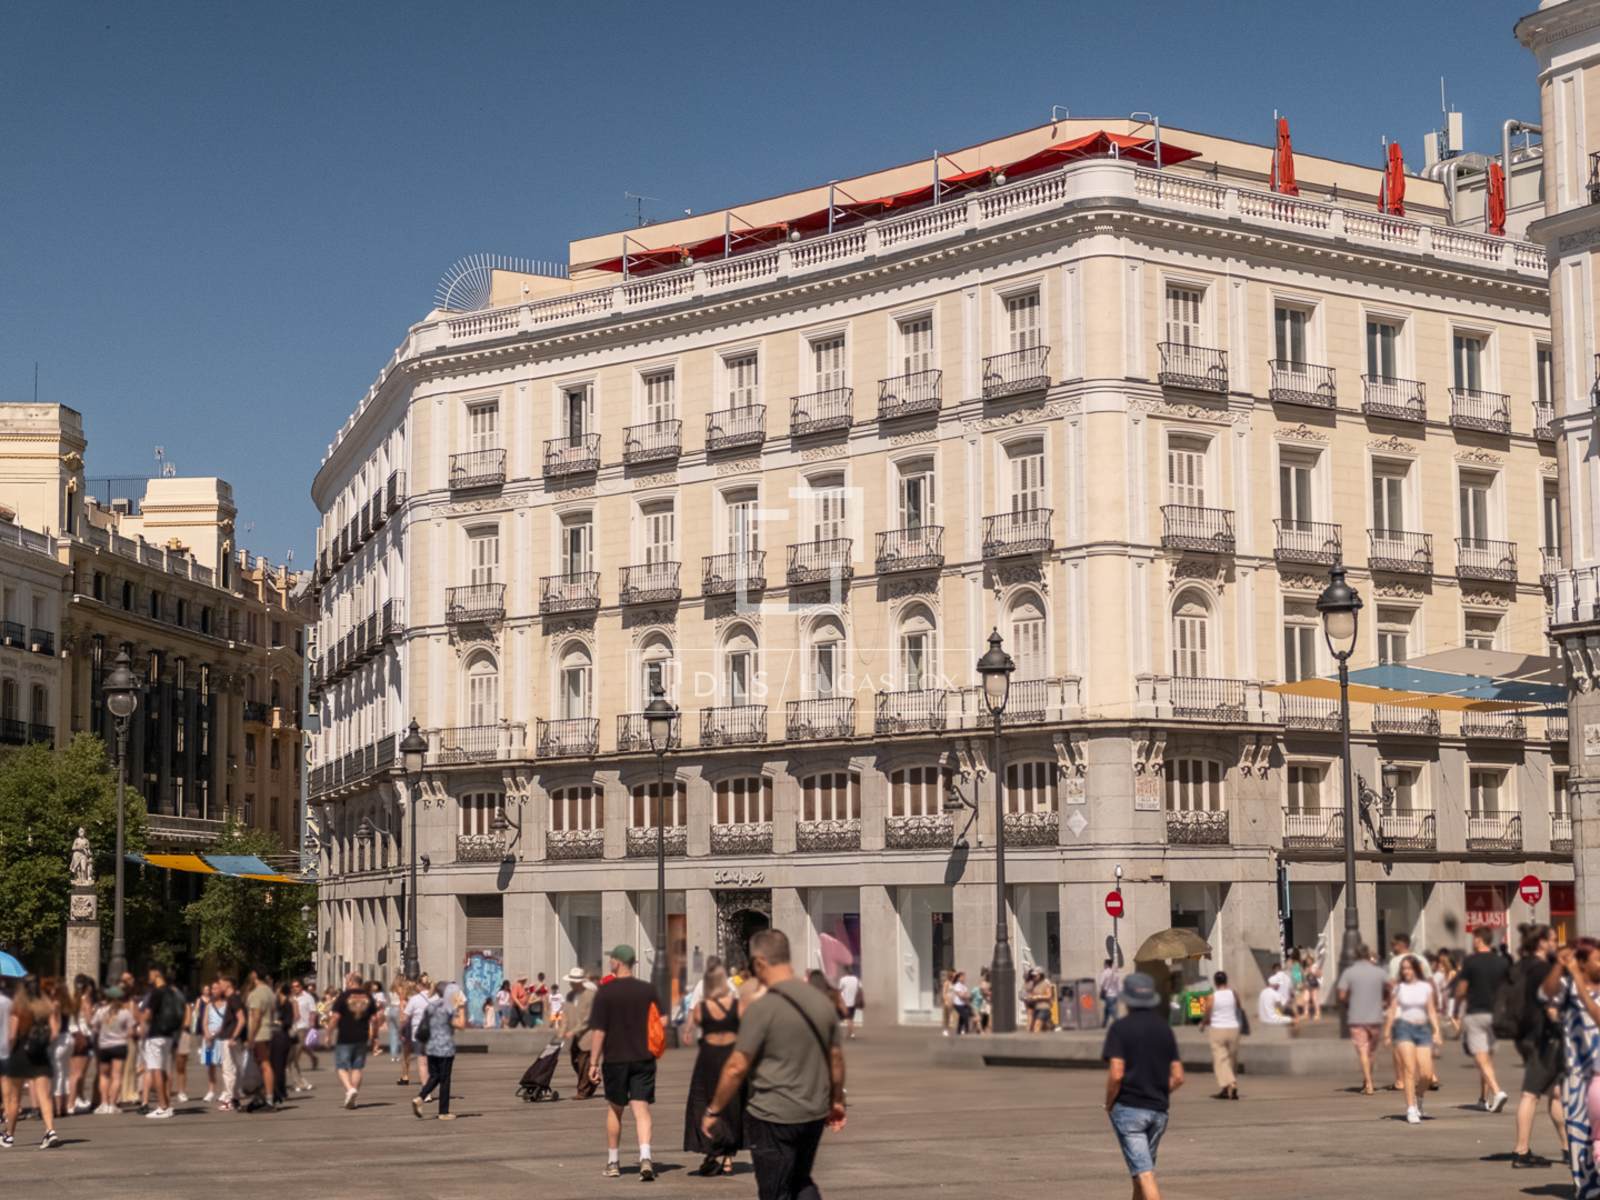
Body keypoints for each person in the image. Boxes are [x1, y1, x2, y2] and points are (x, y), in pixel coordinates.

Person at [702, 929, 846, 1200]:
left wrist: (714, 1109)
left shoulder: (763, 1007)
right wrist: (836, 1100)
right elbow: (836, 1059)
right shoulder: (821, 1001)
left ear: (760, 963)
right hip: (813, 1111)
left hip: (772, 1114)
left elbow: (736, 1066)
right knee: (801, 1179)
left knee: (775, 1190)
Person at [1102, 973, 1182, 1200]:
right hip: (1158, 1111)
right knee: (1141, 1170)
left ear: (1127, 999)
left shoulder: (1120, 1029)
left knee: (1145, 1174)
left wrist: (1109, 1103)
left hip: (1130, 1109)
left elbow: (1116, 1073)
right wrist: (1158, 1090)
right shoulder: (1165, 1029)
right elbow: (1178, 1076)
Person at [588, 945, 661, 1181]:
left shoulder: (605, 993)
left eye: (611, 959)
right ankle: (646, 1157)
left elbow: (599, 1031)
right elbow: (660, 1020)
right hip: (643, 1057)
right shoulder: (647, 990)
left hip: (615, 1058)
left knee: (615, 1109)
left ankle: (613, 1162)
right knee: (641, 1109)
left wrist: (593, 1063)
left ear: (617, 962)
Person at [1542, 940, 1600, 1198]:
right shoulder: (1567, 987)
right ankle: (1586, 1188)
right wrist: (1559, 965)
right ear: (1583, 962)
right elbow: (1546, 994)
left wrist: (1576, 976)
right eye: (1597, 960)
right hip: (1576, 1073)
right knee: (1578, 1131)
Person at [1511, 924, 1566, 1170]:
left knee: (1556, 1092)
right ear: (1542, 942)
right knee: (1531, 1094)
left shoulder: (1520, 965)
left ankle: (1567, 1147)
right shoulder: (1543, 969)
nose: (1555, 943)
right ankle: (1521, 1151)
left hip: (1525, 1034)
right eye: (1553, 939)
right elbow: (1550, 1004)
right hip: (1543, 1037)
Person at [682, 963, 745, 1176]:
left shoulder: (703, 1008)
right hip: (731, 1054)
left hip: (708, 1058)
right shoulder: (737, 1005)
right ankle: (728, 1157)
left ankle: (711, 1149)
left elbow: (696, 1018)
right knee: (732, 1103)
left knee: (704, 1101)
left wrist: (688, 1029)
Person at [2, 976, 61, 1149]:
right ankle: (50, 1131)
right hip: (40, 1054)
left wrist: (10, 1051)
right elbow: (55, 1032)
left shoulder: (18, 1007)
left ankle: (9, 1135)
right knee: (44, 1096)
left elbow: (12, 1036)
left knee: (14, 1098)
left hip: (20, 1054)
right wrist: (42, 1043)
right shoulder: (47, 1007)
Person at [1456, 927, 1511, 1113]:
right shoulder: (1502, 962)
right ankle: (1483, 1099)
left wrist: (1456, 1007)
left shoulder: (1470, 961)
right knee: (1486, 1058)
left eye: (1474, 938)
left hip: (1476, 1012)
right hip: (1496, 1015)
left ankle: (1497, 1092)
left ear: (1479, 940)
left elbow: (1461, 989)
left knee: (1480, 1058)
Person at [1384, 954, 1442, 1125]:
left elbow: (1431, 1010)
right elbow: (1392, 1011)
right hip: (1404, 1029)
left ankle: (1419, 1096)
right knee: (1409, 1069)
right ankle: (1410, 1108)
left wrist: (1437, 1030)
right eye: (1404, 969)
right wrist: (1387, 1032)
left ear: (1416, 969)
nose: (1406, 971)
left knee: (1426, 1074)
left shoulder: (1425, 987)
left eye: (1409, 968)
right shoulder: (1399, 988)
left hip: (1423, 1030)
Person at [1335, 944, 1390, 1095]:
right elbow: (1391, 986)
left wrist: (1349, 1001)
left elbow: (1341, 995)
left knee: (1363, 1050)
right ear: (1368, 955)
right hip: (1375, 1017)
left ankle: (1369, 1083)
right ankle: (1368, 1080)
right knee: (1371, 1051)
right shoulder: (1379, 972)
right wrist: (1386, 1000)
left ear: (1355, 955)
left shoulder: (1349, 972)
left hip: (1356, 1017)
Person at [412, 981, 466, 1120]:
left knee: (435, 1076)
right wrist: (462, 1008)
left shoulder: (431, 1006)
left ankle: (420, 1097)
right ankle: (443, 1112)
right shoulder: (449, 1007)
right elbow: (461, 1024)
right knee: (445, 1079)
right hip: (445, 1048)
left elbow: (425, 1025)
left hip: (431, 1047)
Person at [329, 971, 378, 1109]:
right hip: (362, 1036)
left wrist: (328, 1033)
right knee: (357, 1067)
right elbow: (375, 1019)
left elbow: (335, 1017)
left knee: (341, 1067)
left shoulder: (343, 996)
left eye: (346, 980)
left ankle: (350, 1089)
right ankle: (353, 1096)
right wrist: (375, 1036)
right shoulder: (368, 996)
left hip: (345, 1037)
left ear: (350, 981)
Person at [141, 965, 183, 1119]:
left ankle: (162, 1106)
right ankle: (167, 1105)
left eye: (150, 973)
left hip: (156, 1034)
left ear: (156, 973)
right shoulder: (172, 992)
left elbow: (147, 1014)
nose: (149, 976)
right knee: (164, 1070)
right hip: (169, 1034)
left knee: (155, 1070)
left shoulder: (156, 992)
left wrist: (139, 1020)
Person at [1199, 970, 1241, 1100]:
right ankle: (1226, 1090)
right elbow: (1239, 1007)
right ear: (1226, 981)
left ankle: (1231, 1084)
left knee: (1220, 1059)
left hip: (1218, 1029)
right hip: (1233, 1028)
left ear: (1215, 982)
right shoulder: (1233, 993)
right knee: (1231, 1059)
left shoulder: (1212, 997)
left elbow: (1207, 1013)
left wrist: (1203, 1023)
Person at [93, 985, 133, 1113]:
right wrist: (123, 1036)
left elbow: (94, 1027)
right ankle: (112, 1104)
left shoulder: (100, 1011)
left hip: (104, 1046)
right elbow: (130, 1031)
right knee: (117, 1076)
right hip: (119, 1045)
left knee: (103, 1075)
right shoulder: (125, 1012)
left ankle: (104, 1103)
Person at [563, 966, 599, 1101]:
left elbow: (587, 1019)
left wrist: (572, 1031)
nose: (572, 984)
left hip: (588, 1033)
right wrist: (563, 1029)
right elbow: (566, 1014)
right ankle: (591, 1080)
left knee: (584, 1062)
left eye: (574, 982)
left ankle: (583, 1091)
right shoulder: (569, 996)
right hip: (576, 1035)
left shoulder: (591, 995)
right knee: (575, 1061)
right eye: (571, 982)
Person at [403, 976, 431, 1090]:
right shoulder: (436, 997)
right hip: (435, 1033)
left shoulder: (414, 999)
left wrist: (402, 1031)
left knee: (422, 1063)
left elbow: (405, 1017)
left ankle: (426, 1091)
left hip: (419, 1033)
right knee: (432, 1063)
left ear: (419, 985)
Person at [269, 982, 294, 1106]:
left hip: (282, 1037)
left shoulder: (287, 1004)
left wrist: (279, 1022)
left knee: (279, 1066)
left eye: (278, 990)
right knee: (277, 1066)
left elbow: (288, 1022)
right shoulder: (276, 1004)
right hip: (275, 1037)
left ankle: (280, 1092)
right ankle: (280, 1091)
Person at [1256, 962, 1294, 1026]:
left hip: (1278, 1007)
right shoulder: (1288, 978)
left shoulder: (1274, 979)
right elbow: (1291, 991)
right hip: (1286, 1005)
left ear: (1275, 969)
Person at [837, 969, 861, 1040]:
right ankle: (850, 1034)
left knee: (845, 1019)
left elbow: (839, 990)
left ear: (845, 972)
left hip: (845, 1002)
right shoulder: (856, 979)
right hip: (853, 1002)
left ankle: (852, 1034)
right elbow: (859, 988)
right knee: (850, 1019)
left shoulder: (843, 979)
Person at [1099, 958, 1122, 1028]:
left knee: (1111, 1010)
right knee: (1107, 1009)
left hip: (1108, 994)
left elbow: (1101, 983)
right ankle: (1104, 1024)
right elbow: (1119, 985)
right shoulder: (1115, 973)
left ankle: (1119, 1023)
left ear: (1106, 964)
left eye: (1104, 964)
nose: (1104, 965)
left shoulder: (1105, 972)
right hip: (1115, 994)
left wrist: (1102, 991)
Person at [950, 970, 973, 1036]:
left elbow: (966, 995)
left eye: (964, 977)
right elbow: (961, 996)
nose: (964, 978)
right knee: (965, 1015)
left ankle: (959, 1031)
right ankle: (967, 1030)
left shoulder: (964, 986)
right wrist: (966, 996)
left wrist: (967, 997)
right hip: (957, 1004)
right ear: (959, 978)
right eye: (962, 977)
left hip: (963, 1004)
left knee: (963, 1017)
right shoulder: (957, 985)